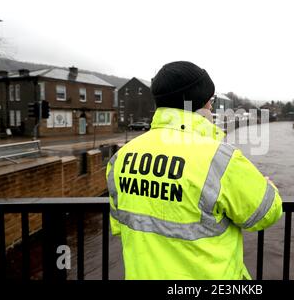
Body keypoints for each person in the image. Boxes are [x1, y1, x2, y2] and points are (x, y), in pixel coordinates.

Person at [106, 61, 282, 280]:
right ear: (200, 105)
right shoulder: (219, 158)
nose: (211, 107)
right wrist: (269, 187)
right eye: (211, 101)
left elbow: (119, 222)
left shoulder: (121, 158)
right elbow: (264, 214)